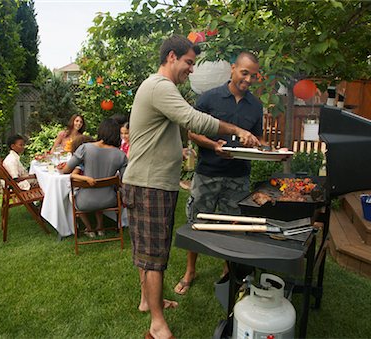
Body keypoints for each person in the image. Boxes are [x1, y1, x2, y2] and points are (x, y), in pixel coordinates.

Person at [122, 35, 260, 339]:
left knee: (147, 250)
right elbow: (193, 120)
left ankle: (148, 302)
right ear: (172, 57)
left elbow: (167, 129)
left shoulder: (158, 88)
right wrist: (236, 129)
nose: (191, 70)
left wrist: (177, 150)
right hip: (150, 185)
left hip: (152, 183)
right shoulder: (160, 86)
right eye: (189, 62)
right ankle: (158, 325)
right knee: (154, 255)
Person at [174, 51, 264, 295]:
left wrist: (254, 143)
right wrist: (214, 145)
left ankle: (228, 268)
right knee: (197, 220)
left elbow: (259, 139)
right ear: (233, 69)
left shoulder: (256, 106)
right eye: (244, 73)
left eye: (253, 76)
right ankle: (190, 270)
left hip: (238, 177)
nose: (248, 79)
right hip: (208, 173)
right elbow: (192, 133)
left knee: (234, 226)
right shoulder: (209, 98)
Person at [59, 118, 128, 237]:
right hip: (110, 201)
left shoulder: (85, 148)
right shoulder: (120, 155)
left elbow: (66, 171)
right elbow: (125, 180)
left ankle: (89, 228)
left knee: (71, 195)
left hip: (84, 202)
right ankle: (100, 227)